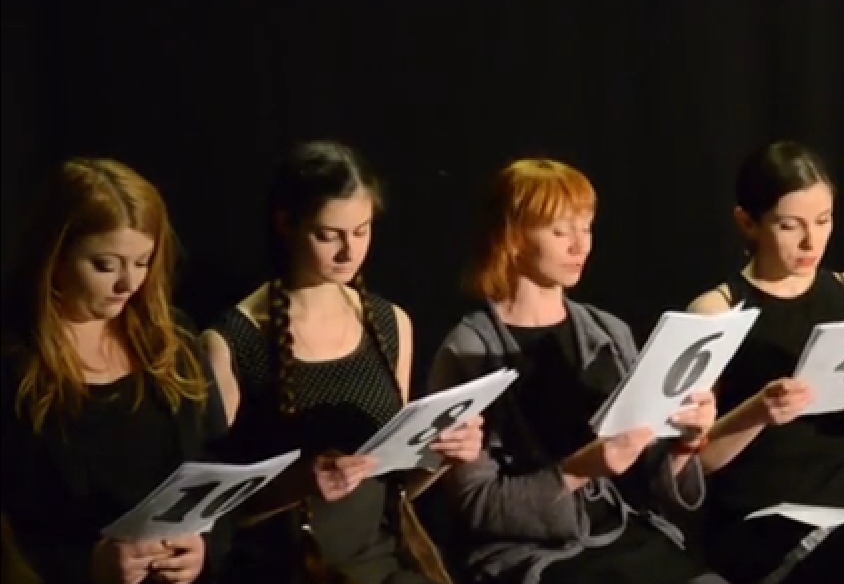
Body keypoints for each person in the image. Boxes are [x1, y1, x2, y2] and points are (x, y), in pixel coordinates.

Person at [428, 158, 727, 584]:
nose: (580, 246)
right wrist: (578, 470)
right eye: (560, 231)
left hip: (618, 533)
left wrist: (686, 442)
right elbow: (479, 505)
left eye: (585, 228)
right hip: (530, 556)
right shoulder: (470, 350)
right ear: (513, 237)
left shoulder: (607, 332)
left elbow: (653, 480)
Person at [200, 140, 484, 584]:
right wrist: (296, 486)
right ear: (286, 224)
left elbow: (392, 488)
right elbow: (213, 514)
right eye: (328, 235)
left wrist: (442, 456)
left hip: (382, 562)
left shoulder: (389, 324)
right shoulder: (234, 341)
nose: (349, 252)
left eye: (362, 231)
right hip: (290, 569)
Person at [686, 141, 844, 584]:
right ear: (748, 223)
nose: (810, 242)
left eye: (823, 221)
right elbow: (694, 464)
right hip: (763, 513)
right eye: (789, 226)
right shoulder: (717, 311)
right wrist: (757, 412)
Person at [0, 158, 229, 584]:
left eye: (142, 262)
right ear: (55, 255)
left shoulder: (172, 338)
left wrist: (203, 544)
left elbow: (214, 460)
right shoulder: (14, 359)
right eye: (106, 265)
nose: (129, 284)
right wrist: (85, 566)